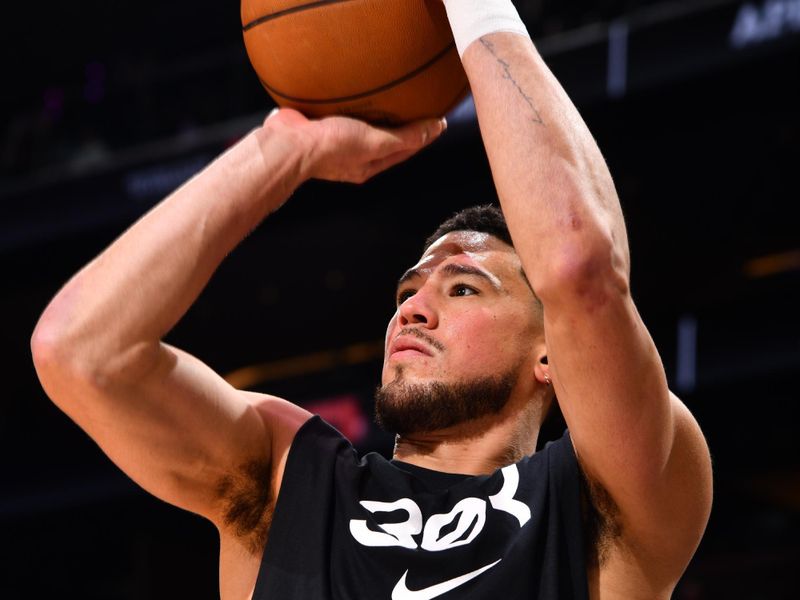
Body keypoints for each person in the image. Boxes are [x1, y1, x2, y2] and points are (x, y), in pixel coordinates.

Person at [31, 1, 712, 598]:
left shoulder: (602, 502)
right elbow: (80, 350)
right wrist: (281, 152)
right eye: (408, 290)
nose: (411, 310)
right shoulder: (290, 480)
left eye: (465, 286)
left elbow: (578, 264)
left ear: (549, 355)